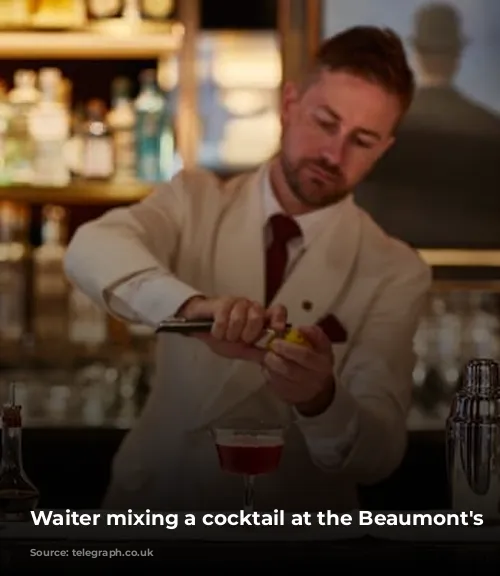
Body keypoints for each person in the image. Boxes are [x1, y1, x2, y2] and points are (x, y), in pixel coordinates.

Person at [64, 26, 432, 513]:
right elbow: (89, 247)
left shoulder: (396, 269)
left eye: (361, 140)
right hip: (155, 514)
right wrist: (191, 310)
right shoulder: (194, 200)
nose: (333, 154)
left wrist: (321, 399)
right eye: (325, 122)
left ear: (384, 148)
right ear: (289, 104)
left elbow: (379, 454)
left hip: (289, 536)